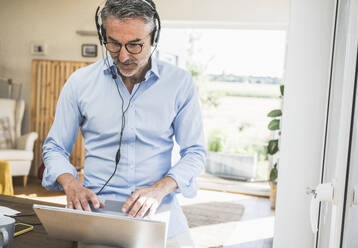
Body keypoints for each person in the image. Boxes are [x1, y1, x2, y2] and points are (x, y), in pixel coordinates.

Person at [42, 0, 206, 246]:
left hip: (159, 208)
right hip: (95, 210)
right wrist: (71, 183)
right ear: (103, 36)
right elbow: (54, 147)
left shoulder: (180, 83)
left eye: (134, 45)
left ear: (154, 36)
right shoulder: (79, 83)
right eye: (114, 43)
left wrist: (160, 189)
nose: (123, 55)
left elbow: (195, 153)